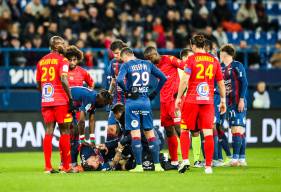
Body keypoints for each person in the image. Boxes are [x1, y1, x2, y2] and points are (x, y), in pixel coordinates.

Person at [175, 34, 226, 174]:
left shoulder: (191, 59)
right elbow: (221, 83)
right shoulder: (214, 60)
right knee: (208, 132)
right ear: (205, 45)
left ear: (192, 45)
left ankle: (185, 160)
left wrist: (179, 97)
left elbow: (185, 80)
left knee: (185, 129)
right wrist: (223, 101)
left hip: (191, 100)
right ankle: (208, 166)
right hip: (208, 101)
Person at [116, 47, 167, 172]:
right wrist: (154, 93)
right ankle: (158, 166)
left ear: (125, 56)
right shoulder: (147, 64)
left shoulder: (126, 65)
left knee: (135, 135)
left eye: (122, 59)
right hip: (145, 102)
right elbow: (163, 78)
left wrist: (127, 91)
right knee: (150, 134)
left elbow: (119, 80)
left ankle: (138, 166)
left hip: (132, 103)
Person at [36, 36, 76, 173]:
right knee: (65, 131)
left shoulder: (41, 61)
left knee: (48, 131)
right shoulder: (63, 60)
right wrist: (70, 99)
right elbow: (64, 79)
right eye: (62, 44)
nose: (65, 46)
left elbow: (38, 84)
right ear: (56, 46)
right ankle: (66, 167)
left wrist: (47, 96)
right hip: (60, 101)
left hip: (46, 100)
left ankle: (48, 167)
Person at [143, 46, 184, 169]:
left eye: (151, 57)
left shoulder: (170, 59)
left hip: (174, 101)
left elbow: (187, 69)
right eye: (148, 59)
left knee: (179, 129)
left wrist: (183, 91)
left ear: (156, 53)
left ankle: (186, 159)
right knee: (169, 131)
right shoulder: (153, 67)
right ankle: (175, 161)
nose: (150, 61)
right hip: (164, 102)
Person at [69, 87, 113, 169]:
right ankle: (68, 163)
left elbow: (91, 120)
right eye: (105, 103)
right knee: (73, 134)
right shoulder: (90, 98)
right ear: (102, 100)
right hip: (64, 100)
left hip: (71, 104)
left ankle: (72, 163)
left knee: (74, 134)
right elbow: (81, 121)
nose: (104, 106)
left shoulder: (96, 100)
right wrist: (82, 139)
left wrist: (92, 140)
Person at [220, 44, 248, 167]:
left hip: (238, 102)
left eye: (221, 53)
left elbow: (244, 82)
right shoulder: (221, 68)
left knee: (238, 129)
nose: (220, 56)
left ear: (225, 54)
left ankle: (235, 159)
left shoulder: (237, 65)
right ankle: (242, 158)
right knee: (237, 130)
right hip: (229, 103)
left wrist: (241, 99)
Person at [64, 45, 96, 149]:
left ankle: (74, 161)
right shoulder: (63, 72)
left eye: (74, 60)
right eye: (70, 60)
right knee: (66, 133)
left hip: (78, 107)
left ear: (78, 59)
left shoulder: (82, 71)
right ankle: (65, 161)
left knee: (76, 133)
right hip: (66, 105)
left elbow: (91, 83)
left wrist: (88, 96)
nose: (72, 62)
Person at [179, 48, 203, 168]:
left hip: (196, 102)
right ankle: (182, 159)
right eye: (190, 57)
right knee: (183, 130)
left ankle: (197, 160)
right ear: (183, 58)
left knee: (196, 131)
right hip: (183, 103)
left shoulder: (195, 68)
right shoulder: (179, 70)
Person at [106, 40, 127, 140]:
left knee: (129, 130)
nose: (115, 55)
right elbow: (113, 80)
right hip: (116, 101)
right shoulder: (113, 63)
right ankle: (113, 153)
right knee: (111, 128)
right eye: (113, 53)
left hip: (129, 101)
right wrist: (109, 94)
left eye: (117, 53)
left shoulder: (130, 62)